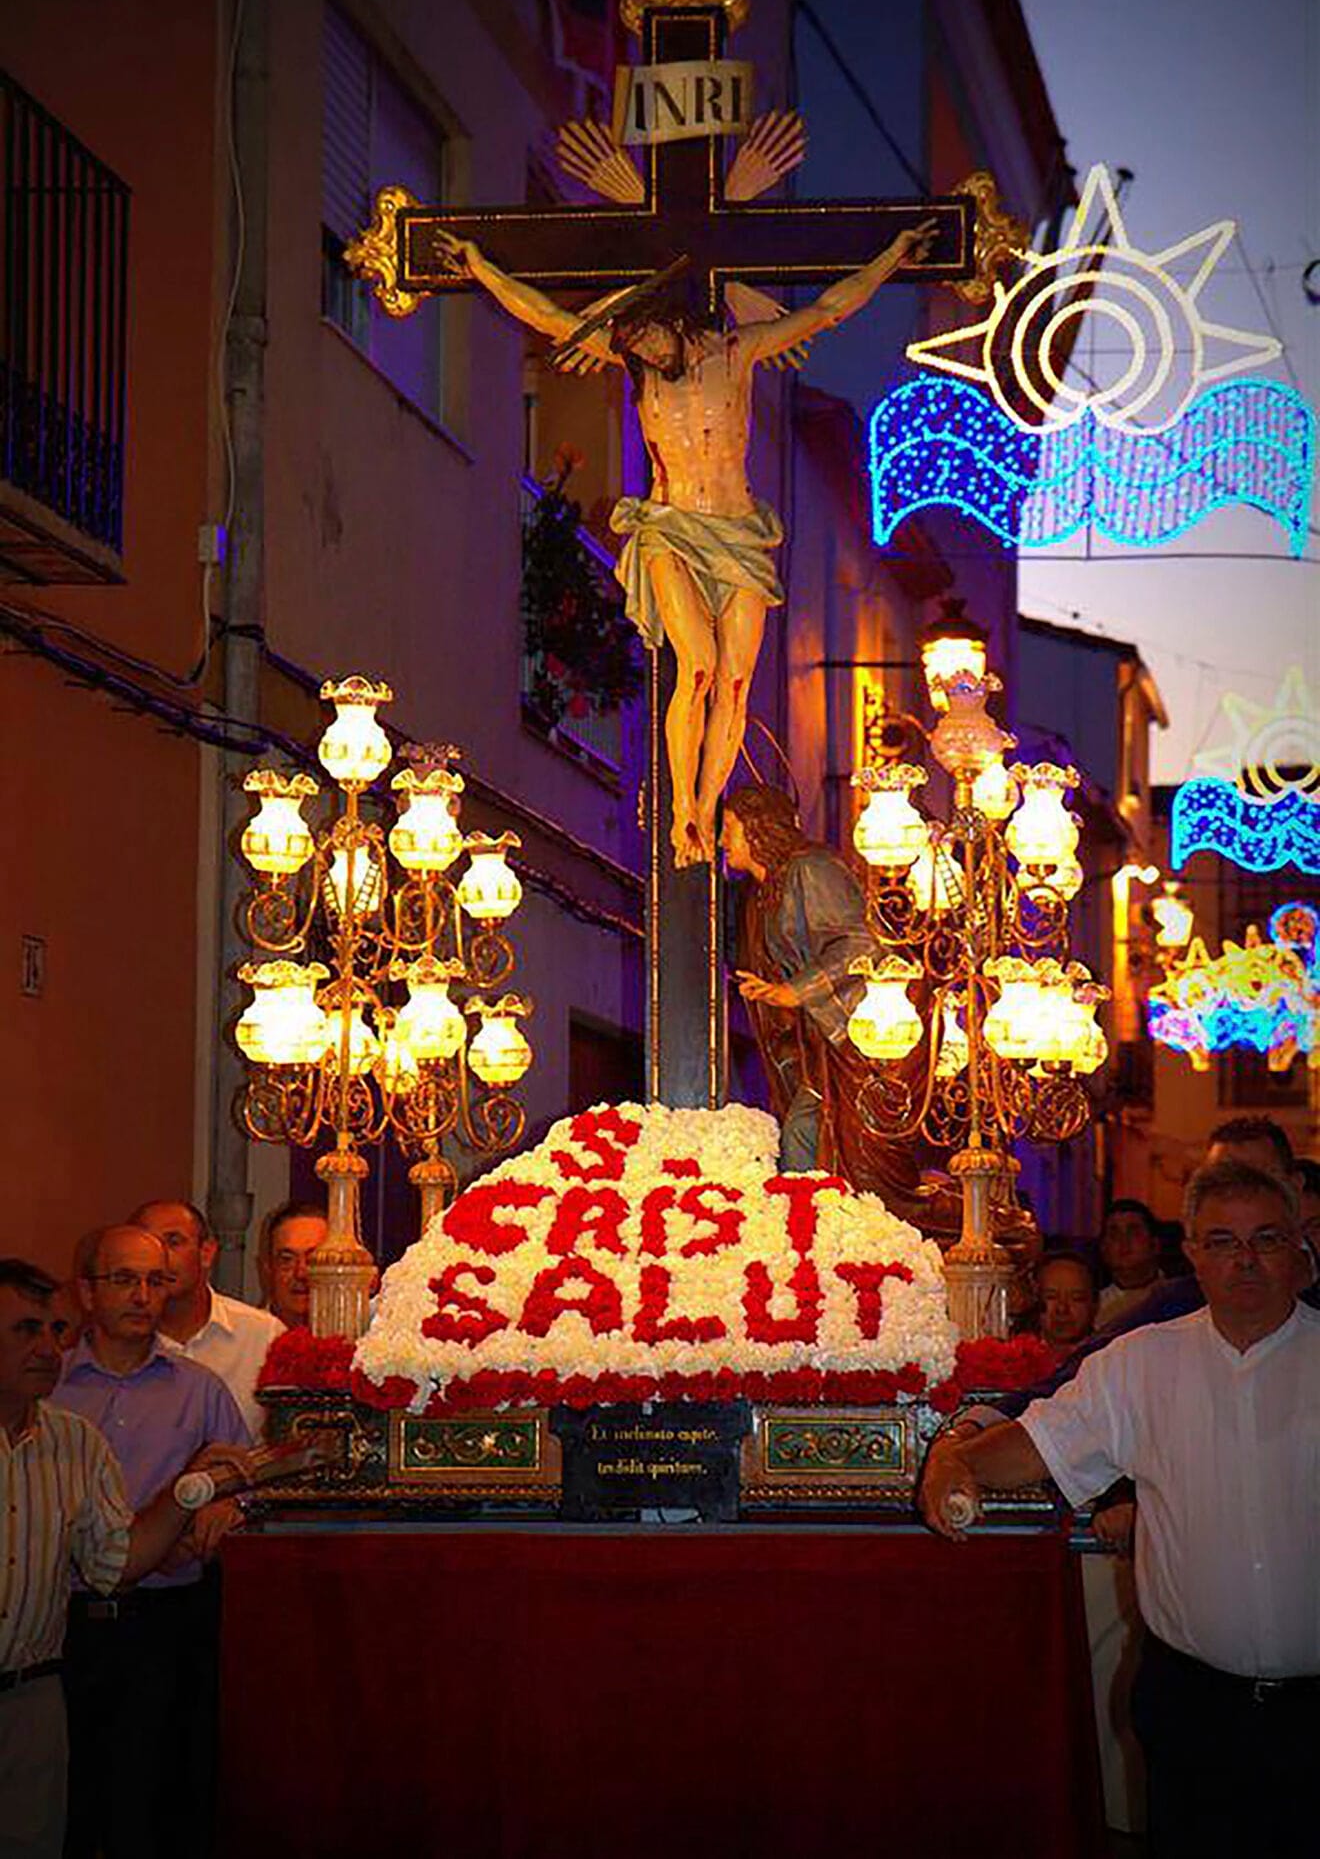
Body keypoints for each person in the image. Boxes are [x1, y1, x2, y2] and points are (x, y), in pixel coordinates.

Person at [435, 221, 935, 866]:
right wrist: (479, 267)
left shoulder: (738, 351)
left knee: (733, 682)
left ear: (671, 321)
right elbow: (550, 316)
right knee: (695, 667)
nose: (638, 353)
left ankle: (707, 802)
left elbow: (829, 308)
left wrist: (892, 253)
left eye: (644, 338)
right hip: (668, 528)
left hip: (736, 533)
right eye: (631, 346)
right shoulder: (639, 364)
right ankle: (684, 815)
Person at [921, 1158, 1318, 1858]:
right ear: (1191, 1254)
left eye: (1267, 1238)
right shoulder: (1140, 1365)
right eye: (1223, 1242)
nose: (1246, 1261)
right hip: (1196, 1711)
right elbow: (1038, 1446)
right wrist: (956, 1459)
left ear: (1301, 1249)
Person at [0, 1258, 253, 1859]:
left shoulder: (74, 1441)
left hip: (34, 1699)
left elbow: (117, 1561)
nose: (47, 1348)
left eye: (54, 1331)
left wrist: (189, 1489)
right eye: (24, 1331)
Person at [719, 785, 926, 1217]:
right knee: (803, 1135)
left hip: (855, 1039)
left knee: (808, 1135)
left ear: (757, 830)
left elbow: (860, 944)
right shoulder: (758, 895)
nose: (723, 841)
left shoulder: (812, 869)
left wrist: (793, 991)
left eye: (728, 829)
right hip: (811, 1047)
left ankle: (818, 1231)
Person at [131, 1199, 282, 1437]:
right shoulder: (123, 1341)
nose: (161, 1257)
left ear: (207, 1253)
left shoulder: (263, 1336)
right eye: (148, 1245)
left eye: (173, 1242)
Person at [258, 1198, 328, 1328]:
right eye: (287, 1260)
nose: (300, 1273)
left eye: (313, 1260)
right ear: (267, 1268)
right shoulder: (246, 1339)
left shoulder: (364, 1342)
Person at [1095, 1198, 1162, 1328]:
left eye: (1133, 1232)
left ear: (1155, 1244)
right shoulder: (1093, 1308)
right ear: (1103, 1247)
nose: (1123, 1241)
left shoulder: (1180, 1298)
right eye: (1114, 1234)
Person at [1034, 1247, 1098, 1359]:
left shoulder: (1109, 1357)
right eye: (1051, 1297)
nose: (1062, 1308)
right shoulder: (1015, 1359)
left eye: (1076, 1298)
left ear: (1094, 1304)